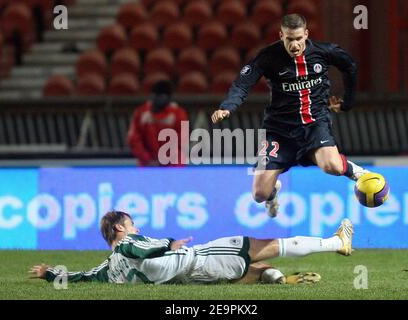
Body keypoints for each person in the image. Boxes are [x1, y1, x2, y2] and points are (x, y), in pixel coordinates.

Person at [211, 14, 370, 217]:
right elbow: (243, 83)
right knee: (259, 194)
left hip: (314, 123)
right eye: (289, 39)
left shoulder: (324, 51)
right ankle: (273, 192)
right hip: (278, 130)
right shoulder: (268, 57)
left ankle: (360, 174)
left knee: (332, 166)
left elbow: (350, 66)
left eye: (298, 39)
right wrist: (227, 106)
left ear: (306, 34)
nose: (294, 45)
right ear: (281, 36)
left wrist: (347, 102)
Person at [29, 211, 354, 285]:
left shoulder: (109, 266)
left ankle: (279, 280)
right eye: (131, 222)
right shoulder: (128, 243)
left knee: (244, 270)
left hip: (191, 278)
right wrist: (169, 243)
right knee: (263, 245)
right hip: (199, 258)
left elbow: (82, 277)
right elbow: (143, 250)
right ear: (119, 228)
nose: (136, 227)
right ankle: (336, 243)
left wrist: (49, 275)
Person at [127, 80, 188, 166]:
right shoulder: (141, 113)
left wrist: (167, 162)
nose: (161, 99)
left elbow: (183, 142)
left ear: (169, 98)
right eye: (158, 96)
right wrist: (147, 159)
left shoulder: (179, 114)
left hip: (173, 166)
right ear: (153, 96)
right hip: (147, 166)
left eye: (164, 96)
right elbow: (134, 140)